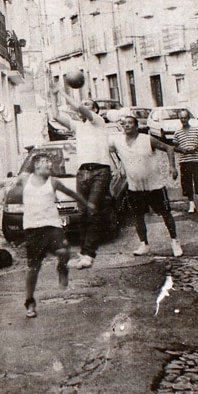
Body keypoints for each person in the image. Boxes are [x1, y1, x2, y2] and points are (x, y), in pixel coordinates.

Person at [18, 152, 91, 318]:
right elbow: (8, 184)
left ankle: (61, 268)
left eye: (51, 163)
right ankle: (29, 301)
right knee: (33, 268)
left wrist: (86, 204)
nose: (50, 166)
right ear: (37, 165)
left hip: (52, 226)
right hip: (32, 229)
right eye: (47, 163)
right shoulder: (25, 179)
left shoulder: (53, 182)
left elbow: (71, 193)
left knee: (65, 251)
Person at [53, 87, 113, 269]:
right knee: (83, 213)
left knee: (93, 211)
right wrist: (53, 94)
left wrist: (63, 93)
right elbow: (55, 116)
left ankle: (89, 254)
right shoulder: (79, 126)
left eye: (88, 104)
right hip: (82, 172)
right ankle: (83, 251)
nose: (84, 107)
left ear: (94, 110)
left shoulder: (99, 122)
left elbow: (79, 108)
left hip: (100, 171)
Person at [108, 115, 183, 257]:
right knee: (138, 216)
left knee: (166, 214)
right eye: (124, 123)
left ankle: (174, 241)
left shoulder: (147, 139)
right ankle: (144, 244)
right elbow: (101, 147)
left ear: (136, 126)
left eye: (130, 123)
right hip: (135, 187)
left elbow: (169, 148)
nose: (127, 125)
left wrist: (172, 167)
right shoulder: (117, 141)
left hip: (155, 185)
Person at [173, 109, 198, 214]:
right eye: (181, 118)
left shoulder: (196, 131)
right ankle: (191, 204)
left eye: (185, 117)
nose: (183, 120)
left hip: (196, 160)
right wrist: (182, 150)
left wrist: (195, 148)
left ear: (188, 118)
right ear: (180, 119)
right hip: (184, 161)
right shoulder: (177, 133)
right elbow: (175, 147)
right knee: (187, 183)